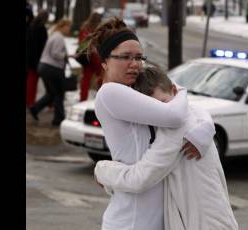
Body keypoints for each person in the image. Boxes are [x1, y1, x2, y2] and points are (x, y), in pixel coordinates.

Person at [87, 17, 216, 230]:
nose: (134, 64)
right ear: (104, 62)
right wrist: (181, 90)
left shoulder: (136, 90)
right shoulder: (110, 93)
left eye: (139, 57)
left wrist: (205, 127)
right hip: (131, 220)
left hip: (161, 218)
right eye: (125, 57)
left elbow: (190, 111)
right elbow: (175, 116)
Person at [95, 66, 239, 230]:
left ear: (173, 91)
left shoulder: (173, 130)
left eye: (163, 104)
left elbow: (141, 179)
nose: (160, 117)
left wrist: (102, 171)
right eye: (154, 110)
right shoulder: (195, 114)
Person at [29, 19, 72, 126]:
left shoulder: (54, 35)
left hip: (44, 67)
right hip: (52, 68)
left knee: (51, 93)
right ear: (63, 26)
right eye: (68, 27)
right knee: (58, 94)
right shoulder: (59, 38)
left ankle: (35, 109)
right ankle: (59, 119)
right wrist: (66, 56)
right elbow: (55, 53)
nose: (69, 29)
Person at [78, 12, 103, 101]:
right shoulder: (97, 29)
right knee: (100, 77)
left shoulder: (84, 28)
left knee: (86, 79)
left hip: (86, 56)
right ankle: (102, 97)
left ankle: (83, 99)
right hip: (94, 56)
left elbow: (81, 44)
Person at [26, 10, 49, 107]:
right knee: (48, 83)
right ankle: (48, 103)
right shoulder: (41, 29)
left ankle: (29, 101)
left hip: (30, 59)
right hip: (39, 59)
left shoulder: (31, 27)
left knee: (31, 82)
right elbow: (43, 46)